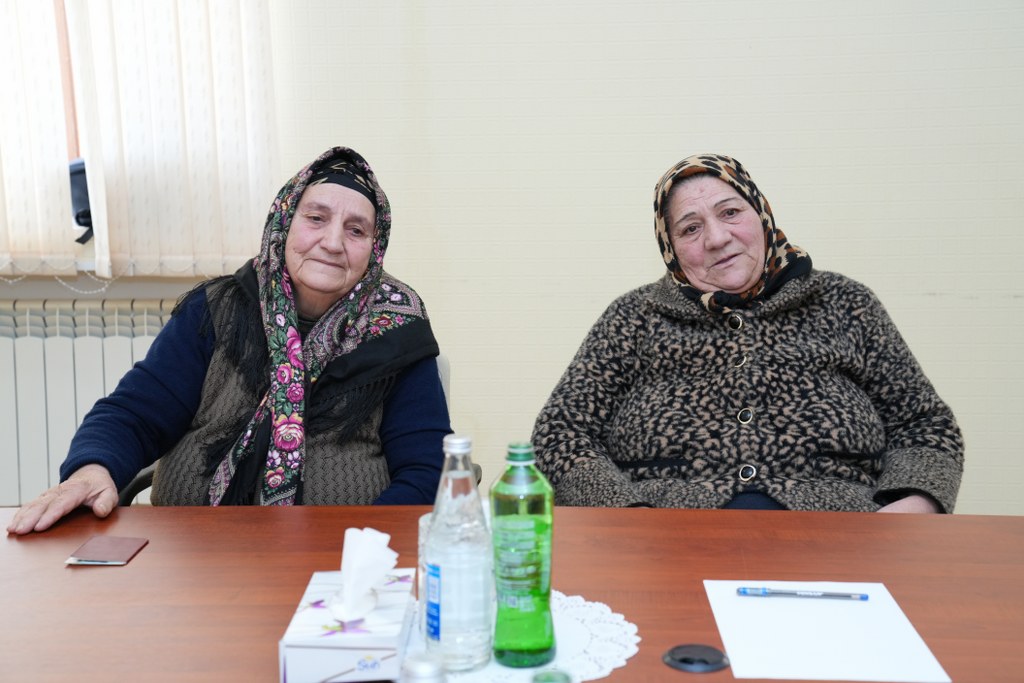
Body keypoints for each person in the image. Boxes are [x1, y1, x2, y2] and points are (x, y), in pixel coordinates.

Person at [8, 147, 450, 535]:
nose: (333, 242)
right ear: (284, 222)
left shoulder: (399, 328)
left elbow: (426, 469)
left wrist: (359, 552)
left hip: (342, 564)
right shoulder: (216, 309)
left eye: (356, 230)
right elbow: (135, 413)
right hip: (192, 552)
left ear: (375, 246)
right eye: (316, 218)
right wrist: (92, 469)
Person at [532, 153, 963, 513]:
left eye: (730, 213)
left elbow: (925, 424)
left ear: (761, 215)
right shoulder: (634, 317)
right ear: (670, 248)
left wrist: (911, 508)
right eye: (690, 228)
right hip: (666, 544)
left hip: (844, 538)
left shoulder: (846, 303)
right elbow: (560, 432)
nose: (717, 238)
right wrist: (625, 516)